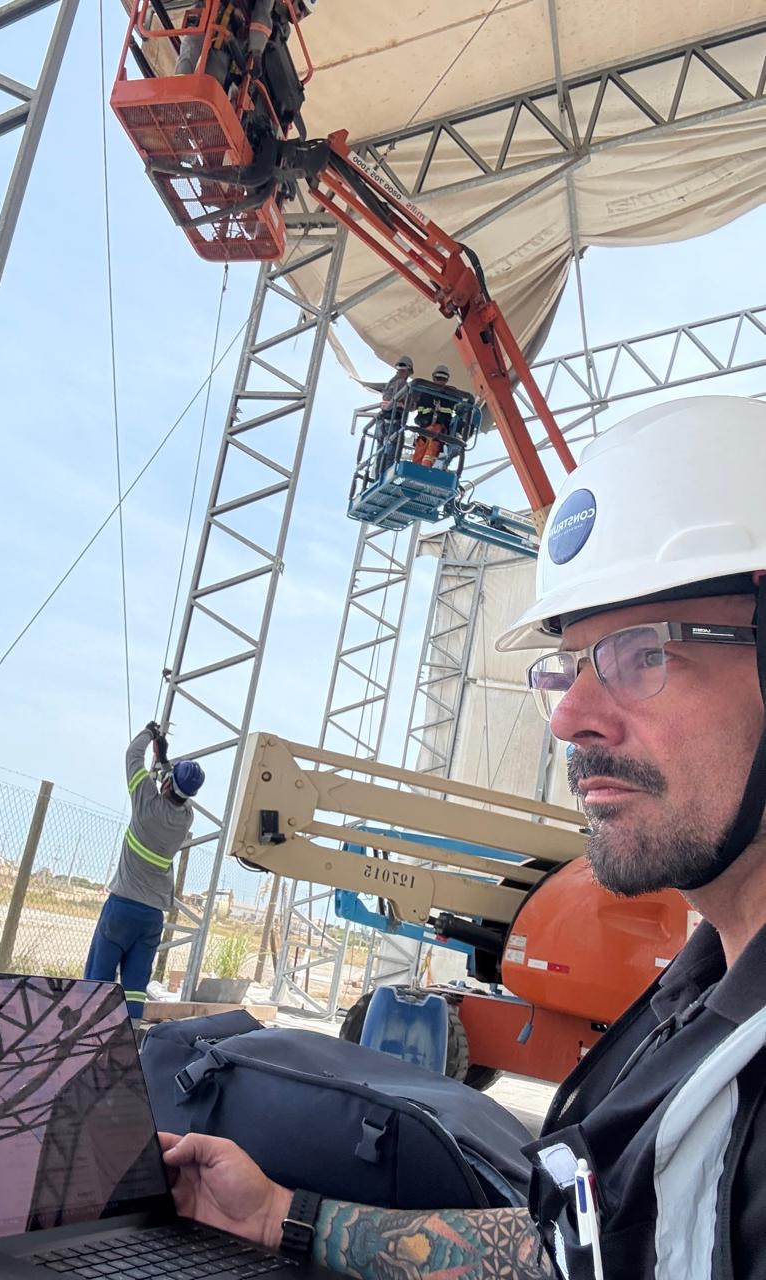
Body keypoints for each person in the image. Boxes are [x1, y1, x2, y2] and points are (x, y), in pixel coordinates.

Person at [154, 395, 766, 1279]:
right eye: (567, 668)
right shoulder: (695, 1000)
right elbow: (579, 1251)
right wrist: (285, 1221)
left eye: (643, 654)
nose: (571, 717)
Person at [85, 722, 205, 1020]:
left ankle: (90, 1031)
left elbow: (132, 755)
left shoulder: (144, 801)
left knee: (98, 979)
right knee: (135, 986)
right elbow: (173, 788)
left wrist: (149, 733)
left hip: (122, 907)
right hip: (152, 917)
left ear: (167, 784)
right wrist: (163, 760)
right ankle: (132, 1034)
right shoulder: (185, 819)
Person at [174, 0, 276, 84]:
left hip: (226, 36)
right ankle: (177, 91)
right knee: (190, 50)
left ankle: (197, 100)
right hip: (204, 18)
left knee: (214, 76)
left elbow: (262, 13)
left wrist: (257, 54)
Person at [369, 355, 412, 481]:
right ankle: (385, 479)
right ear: (408, 370)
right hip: (393, 422)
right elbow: (409, 405)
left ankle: (378, 479)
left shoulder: (390, 383)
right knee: (390, 452)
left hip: (383, 422)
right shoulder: (402, 384)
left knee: (381, 452)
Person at [411, 362, 460, 467]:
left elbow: (460, 408)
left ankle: (425, 468)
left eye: (443, 379)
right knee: (421, 447)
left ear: (447, 379)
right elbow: (412, 406)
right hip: (425, 428)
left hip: (439, 429)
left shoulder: (452, 395)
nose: (440, 381)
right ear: (433, 377)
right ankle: (415, 468)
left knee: (433, 446)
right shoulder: (424, 393)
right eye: (438, 378)